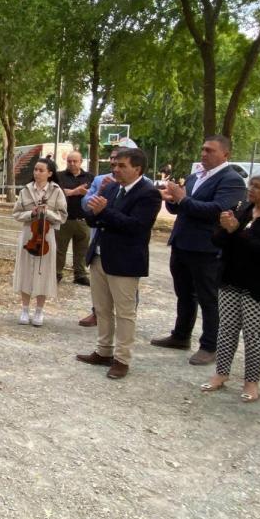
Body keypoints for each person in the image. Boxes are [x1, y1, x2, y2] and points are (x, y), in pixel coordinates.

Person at [200, 165, 260, 402]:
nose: (251, 189)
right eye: (251, 184)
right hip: (231, 278)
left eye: (257, 186)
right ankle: (221, 374)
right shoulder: (242, 209)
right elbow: (220, 240)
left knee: (253, 334)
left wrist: (238, 231)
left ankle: (251, 381)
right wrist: (224, 228)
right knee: (227, 330)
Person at [154, 135, 245, 365]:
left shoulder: (232, 180)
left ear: (225, 154)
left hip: (206, 247)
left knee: (208, 297)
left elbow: (216, 210)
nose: (204, 154)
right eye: (203, 149)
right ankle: (181, 335)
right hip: (182, 243)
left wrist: (183, 200)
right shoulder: (195, 177)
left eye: (210, 150)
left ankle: (210, 345)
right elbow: (179, 208)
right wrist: (172, 200)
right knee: (184, 292)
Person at [75, 148, 162, 379]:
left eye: (122, 166)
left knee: (124, 313)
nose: (115, 169)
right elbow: (94, 218)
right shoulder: (112, 187)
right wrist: (94, 212)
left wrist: (105, 212)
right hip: (100, 256)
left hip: (125, 260)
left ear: (137, 168)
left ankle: (122, 359)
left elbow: (136, 227)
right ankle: (103, 351)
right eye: (114, 165)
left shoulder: (148, 194)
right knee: (102, 308)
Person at [77, 143, 128, 327]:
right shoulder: (100, 180)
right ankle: (96, 313)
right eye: (113, 159)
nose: (115, 164)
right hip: (99, 238)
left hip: (124, 247)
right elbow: (85, 204)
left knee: (124, 289)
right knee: (99, 284)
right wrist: (101, 192)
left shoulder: (141, 183)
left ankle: (126, 320)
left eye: (119, 160)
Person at [12, 158, 67, 327]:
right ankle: (25, 309)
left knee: (44, 272)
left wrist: (47, 213)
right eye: (35, 170)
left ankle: (39, 311)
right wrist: (31, 214)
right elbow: (16, 214)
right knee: (26, 271)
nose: (37, 173)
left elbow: (62, 216)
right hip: (29, 234)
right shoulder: (25, 191)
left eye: (41, 170)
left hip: (47, 235)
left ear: (50, 173)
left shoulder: (56, 191)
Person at [55, 151, 95, 285]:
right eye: (69, 161)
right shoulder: (59, 176)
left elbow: (95, 194)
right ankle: (56, 273)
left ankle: (80, 274)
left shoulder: (90, 177)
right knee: (59, 249)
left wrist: (86, 192)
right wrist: (75, 191)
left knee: (82, 250)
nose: (72, 164)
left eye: (75, 161)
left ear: (81, 161)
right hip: (64, 220)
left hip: (83, 220)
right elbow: (58, 192)